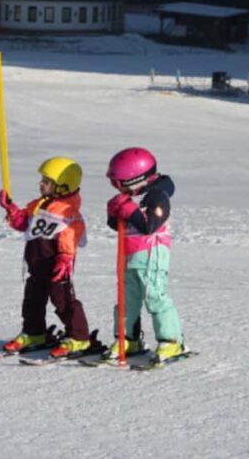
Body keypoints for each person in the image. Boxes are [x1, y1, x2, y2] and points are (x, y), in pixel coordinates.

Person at [0, 157, 92, 358]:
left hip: (57, 263)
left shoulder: (68, 210)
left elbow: (71, 233)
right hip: (37, 262)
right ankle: (34, 333)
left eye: (47, 181)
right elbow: (25, 224)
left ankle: (79, 337)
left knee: (62, 299)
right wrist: (12, 211)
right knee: (33, 298)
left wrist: (66, 258)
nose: (41, 184)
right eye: (42, 180)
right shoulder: (39, 204)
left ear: (63, 185)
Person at [104, 147, 185, 363]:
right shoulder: (134, 197)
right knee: (126, 300)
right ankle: (127, 339)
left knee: (154, 297)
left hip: (151, 254)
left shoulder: (158, 196)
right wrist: (114, 214)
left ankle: (171, 341)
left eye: (119, 183)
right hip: (130, 256)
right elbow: (122, 225)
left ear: (136, 178)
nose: (117, 188)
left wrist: (128, 208)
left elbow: (149, 224)